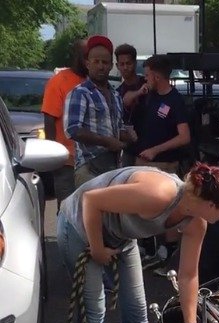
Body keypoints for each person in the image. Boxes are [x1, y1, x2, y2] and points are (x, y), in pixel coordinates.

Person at [57, 162, 219, 323]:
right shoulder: (159, 194)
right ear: (212, 205)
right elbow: (90, 200)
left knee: (137, 309)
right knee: (94, 313)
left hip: (121, 235)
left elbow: (188, 275)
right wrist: (97, 249)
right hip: (80, 226)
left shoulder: (196, 222)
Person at [123, 53, 194, 267]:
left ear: (156, 76)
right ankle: (147, 246)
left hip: (163, 162)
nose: (144, 79)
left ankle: (169, 250)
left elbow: (184, 136)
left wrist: (156, 150)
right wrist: (139, 91)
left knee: (167, 206)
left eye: (147, 76)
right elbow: (125, 101)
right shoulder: (147, 95)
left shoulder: (175, 100)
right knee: (141, 206)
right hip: (142, 160)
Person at [64, 35, 133, 188]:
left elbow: (117, 127)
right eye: (96, 62)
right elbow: (73, 130)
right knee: (93, 212)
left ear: (110, 66)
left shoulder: (115, 95)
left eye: (105, 62)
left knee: (113, 212)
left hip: (113, 167)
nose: (101, 66)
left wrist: (127, 136)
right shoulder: (80, 93)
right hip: (89, 169)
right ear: (87, 63)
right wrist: (107, 141)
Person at [41, 39, 87, 208]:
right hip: (66, 162)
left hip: (91, 161)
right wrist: (54, 156)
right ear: (76, 56)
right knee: (68, 209)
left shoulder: (93, 81)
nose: (90, 60)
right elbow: (49, 119)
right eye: (86, 56)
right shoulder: (59, 81)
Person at [115, 43, 145, 167]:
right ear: (117, 66)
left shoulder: (146, 83)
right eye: (122, 64)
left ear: (135, 63)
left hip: (149, 144)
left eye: (128, 63)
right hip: (129, 147)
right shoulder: (117, 92)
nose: (125, 67)